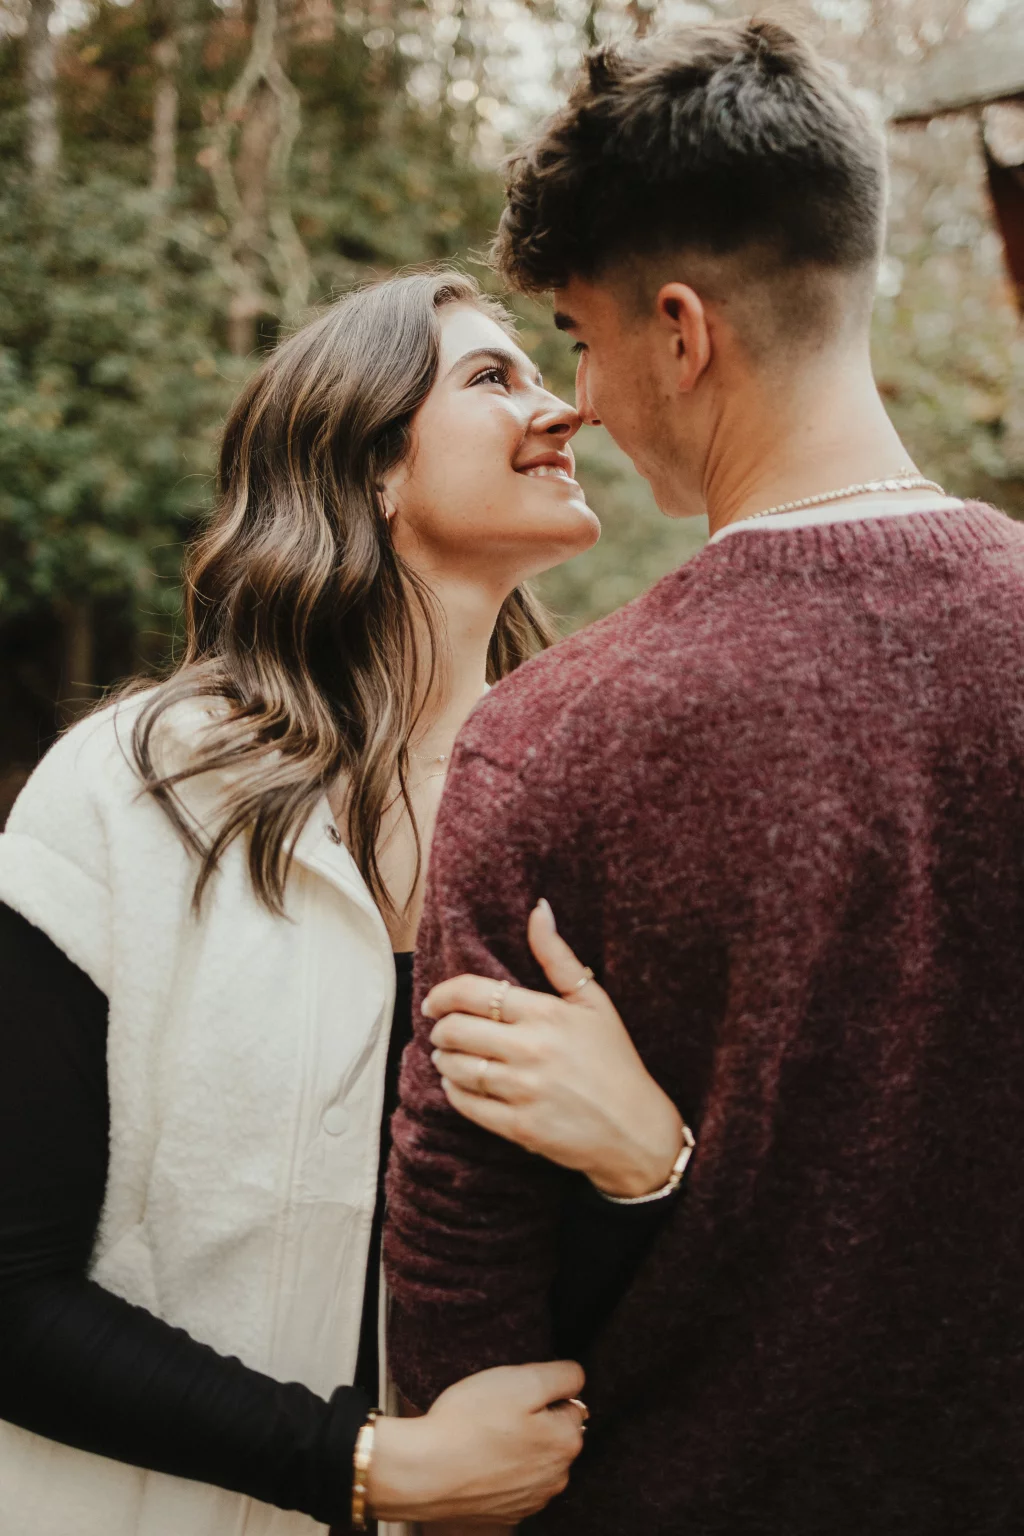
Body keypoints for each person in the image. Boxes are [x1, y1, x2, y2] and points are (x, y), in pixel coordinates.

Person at [384, 22, 1024, 1536]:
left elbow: (464, 1301)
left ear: (681, 332)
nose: (584, 400)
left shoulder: (551, 738)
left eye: (583, 340)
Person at [0, 270, 691, 1536]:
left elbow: (646, 1310)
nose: (564, 410)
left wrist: (645, 1168)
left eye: (545, 371)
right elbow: (10, 1288)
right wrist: (364, 1464)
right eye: (494, 378)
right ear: (366, 464)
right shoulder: (135, 786)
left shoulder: (593, 817)